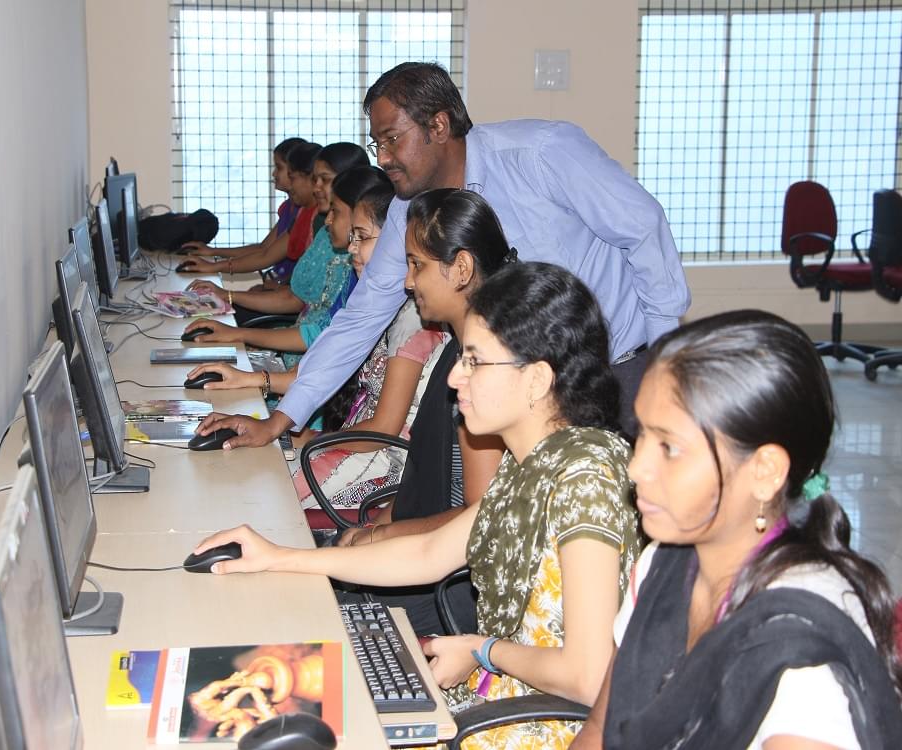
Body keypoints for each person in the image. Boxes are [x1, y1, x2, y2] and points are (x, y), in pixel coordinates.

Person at [192, 261, 640, 749]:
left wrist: (484, 649)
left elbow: (588, 674)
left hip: (529, 731)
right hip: (493, 702)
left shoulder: (586, 478)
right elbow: (428, 554)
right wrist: (280, 558)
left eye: (474, 361)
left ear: (535, 380)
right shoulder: (532, 462)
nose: (454, 379)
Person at [211, 61, 691, 450]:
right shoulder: (407, 208)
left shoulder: (541, 153)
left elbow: (643, 228)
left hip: (618, 367)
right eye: (376, 143)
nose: (382, 157)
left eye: (391, 138)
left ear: (438, 125)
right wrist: (281, 420)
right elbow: (361, 316)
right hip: (520, 391)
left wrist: (663, 359)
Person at [572, 310, 902, 750]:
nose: (636, 468)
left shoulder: (801, 653)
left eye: (669, 447)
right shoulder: (663, 563)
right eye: (641, 435)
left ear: (764, 471)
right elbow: (598, 731)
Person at [186, 180, 448, 512]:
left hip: (380, 469)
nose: (351, 248)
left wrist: (305, 439)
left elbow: (383, 428)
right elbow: (332, 372)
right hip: (354, 444)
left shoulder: (414, 320)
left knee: (255, 496)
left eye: (362, 237)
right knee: (239, 473)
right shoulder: (381, 307)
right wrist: (285, 430)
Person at [182, 165, 389, 373]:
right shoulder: (342, 256)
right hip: (301, 360)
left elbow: (318, 334)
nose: (327, 219)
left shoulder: (361, 274)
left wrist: (239, 331)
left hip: (306, 365)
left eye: (323, 179)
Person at [186, 143, 369, 321]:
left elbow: (306, 307)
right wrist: (215, 263)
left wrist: (225, 286)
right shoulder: (314, 223)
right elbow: (266, 251)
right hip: (297, 315)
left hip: (300, 321)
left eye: (324, 179)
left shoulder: (331, 228)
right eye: (315, 180)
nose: (316, 187)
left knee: (218, 318)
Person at [180, 136, 306, 261]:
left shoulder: (304, 213)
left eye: (279, 167)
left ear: (295, 170)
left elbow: (265, 254)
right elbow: (263, 248)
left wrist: (214, 263)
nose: (274, 173)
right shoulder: (287, 208)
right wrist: (213, 251)